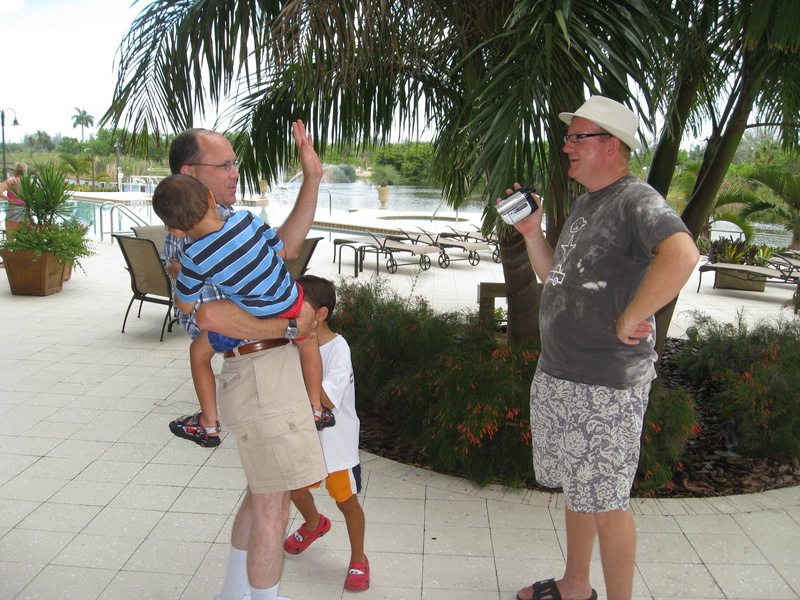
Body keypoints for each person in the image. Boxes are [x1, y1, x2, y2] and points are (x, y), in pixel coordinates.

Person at [506, 96, 699, 600]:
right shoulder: (589, 202)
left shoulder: (637, 200)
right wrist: (530, 232)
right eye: (569, 136)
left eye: (578, 136)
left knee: (609, 501)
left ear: (610, 144)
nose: (566, 145)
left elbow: (682, 253)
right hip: (560, 372)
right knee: (579, 485)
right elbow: (555, 277)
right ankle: (575, 584)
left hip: (605, 383)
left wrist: (636, 314)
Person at [164, 123, 328, 600]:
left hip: (267, 372)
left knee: (261, 496)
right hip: (260, 373)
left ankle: (232, 594)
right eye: (225, 164)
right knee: (274, 506)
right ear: (190, 173)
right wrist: (293, 329)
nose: (236, 171)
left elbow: (287, 246)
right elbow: (210, 317)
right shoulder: (189, 241)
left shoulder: (228, 221)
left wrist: (311, 179)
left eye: (235, 162)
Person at [153, 174, 334, 449]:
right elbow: (280, 250)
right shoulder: (246, 219)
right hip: (293, 301)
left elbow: (186, 306)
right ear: (212, 199)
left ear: (175, 231)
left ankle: (208, 424)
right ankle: (316, 409)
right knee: (308, 343)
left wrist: (178, 274)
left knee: (199, 354)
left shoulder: (194, 258)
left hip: (257, 316)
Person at [281, 275, 369, 591]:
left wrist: (306, 355)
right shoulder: (290, 342)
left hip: (335, 447)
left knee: (347, 502)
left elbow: (328, 398)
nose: (289, 318)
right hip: (304, 441)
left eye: (296, 311)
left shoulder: (338, 349)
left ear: (320, 315)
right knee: (294, 491)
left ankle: (359, 558)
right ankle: (315, 523)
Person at [1, 162, 28, 237]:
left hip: (13, 208)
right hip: (25, 209)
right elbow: (38, 191)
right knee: (25, 237)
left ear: (15, 171)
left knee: (10, 237)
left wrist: (8, 199)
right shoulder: (28, 182)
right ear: (25, 171)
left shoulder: (10, 181)